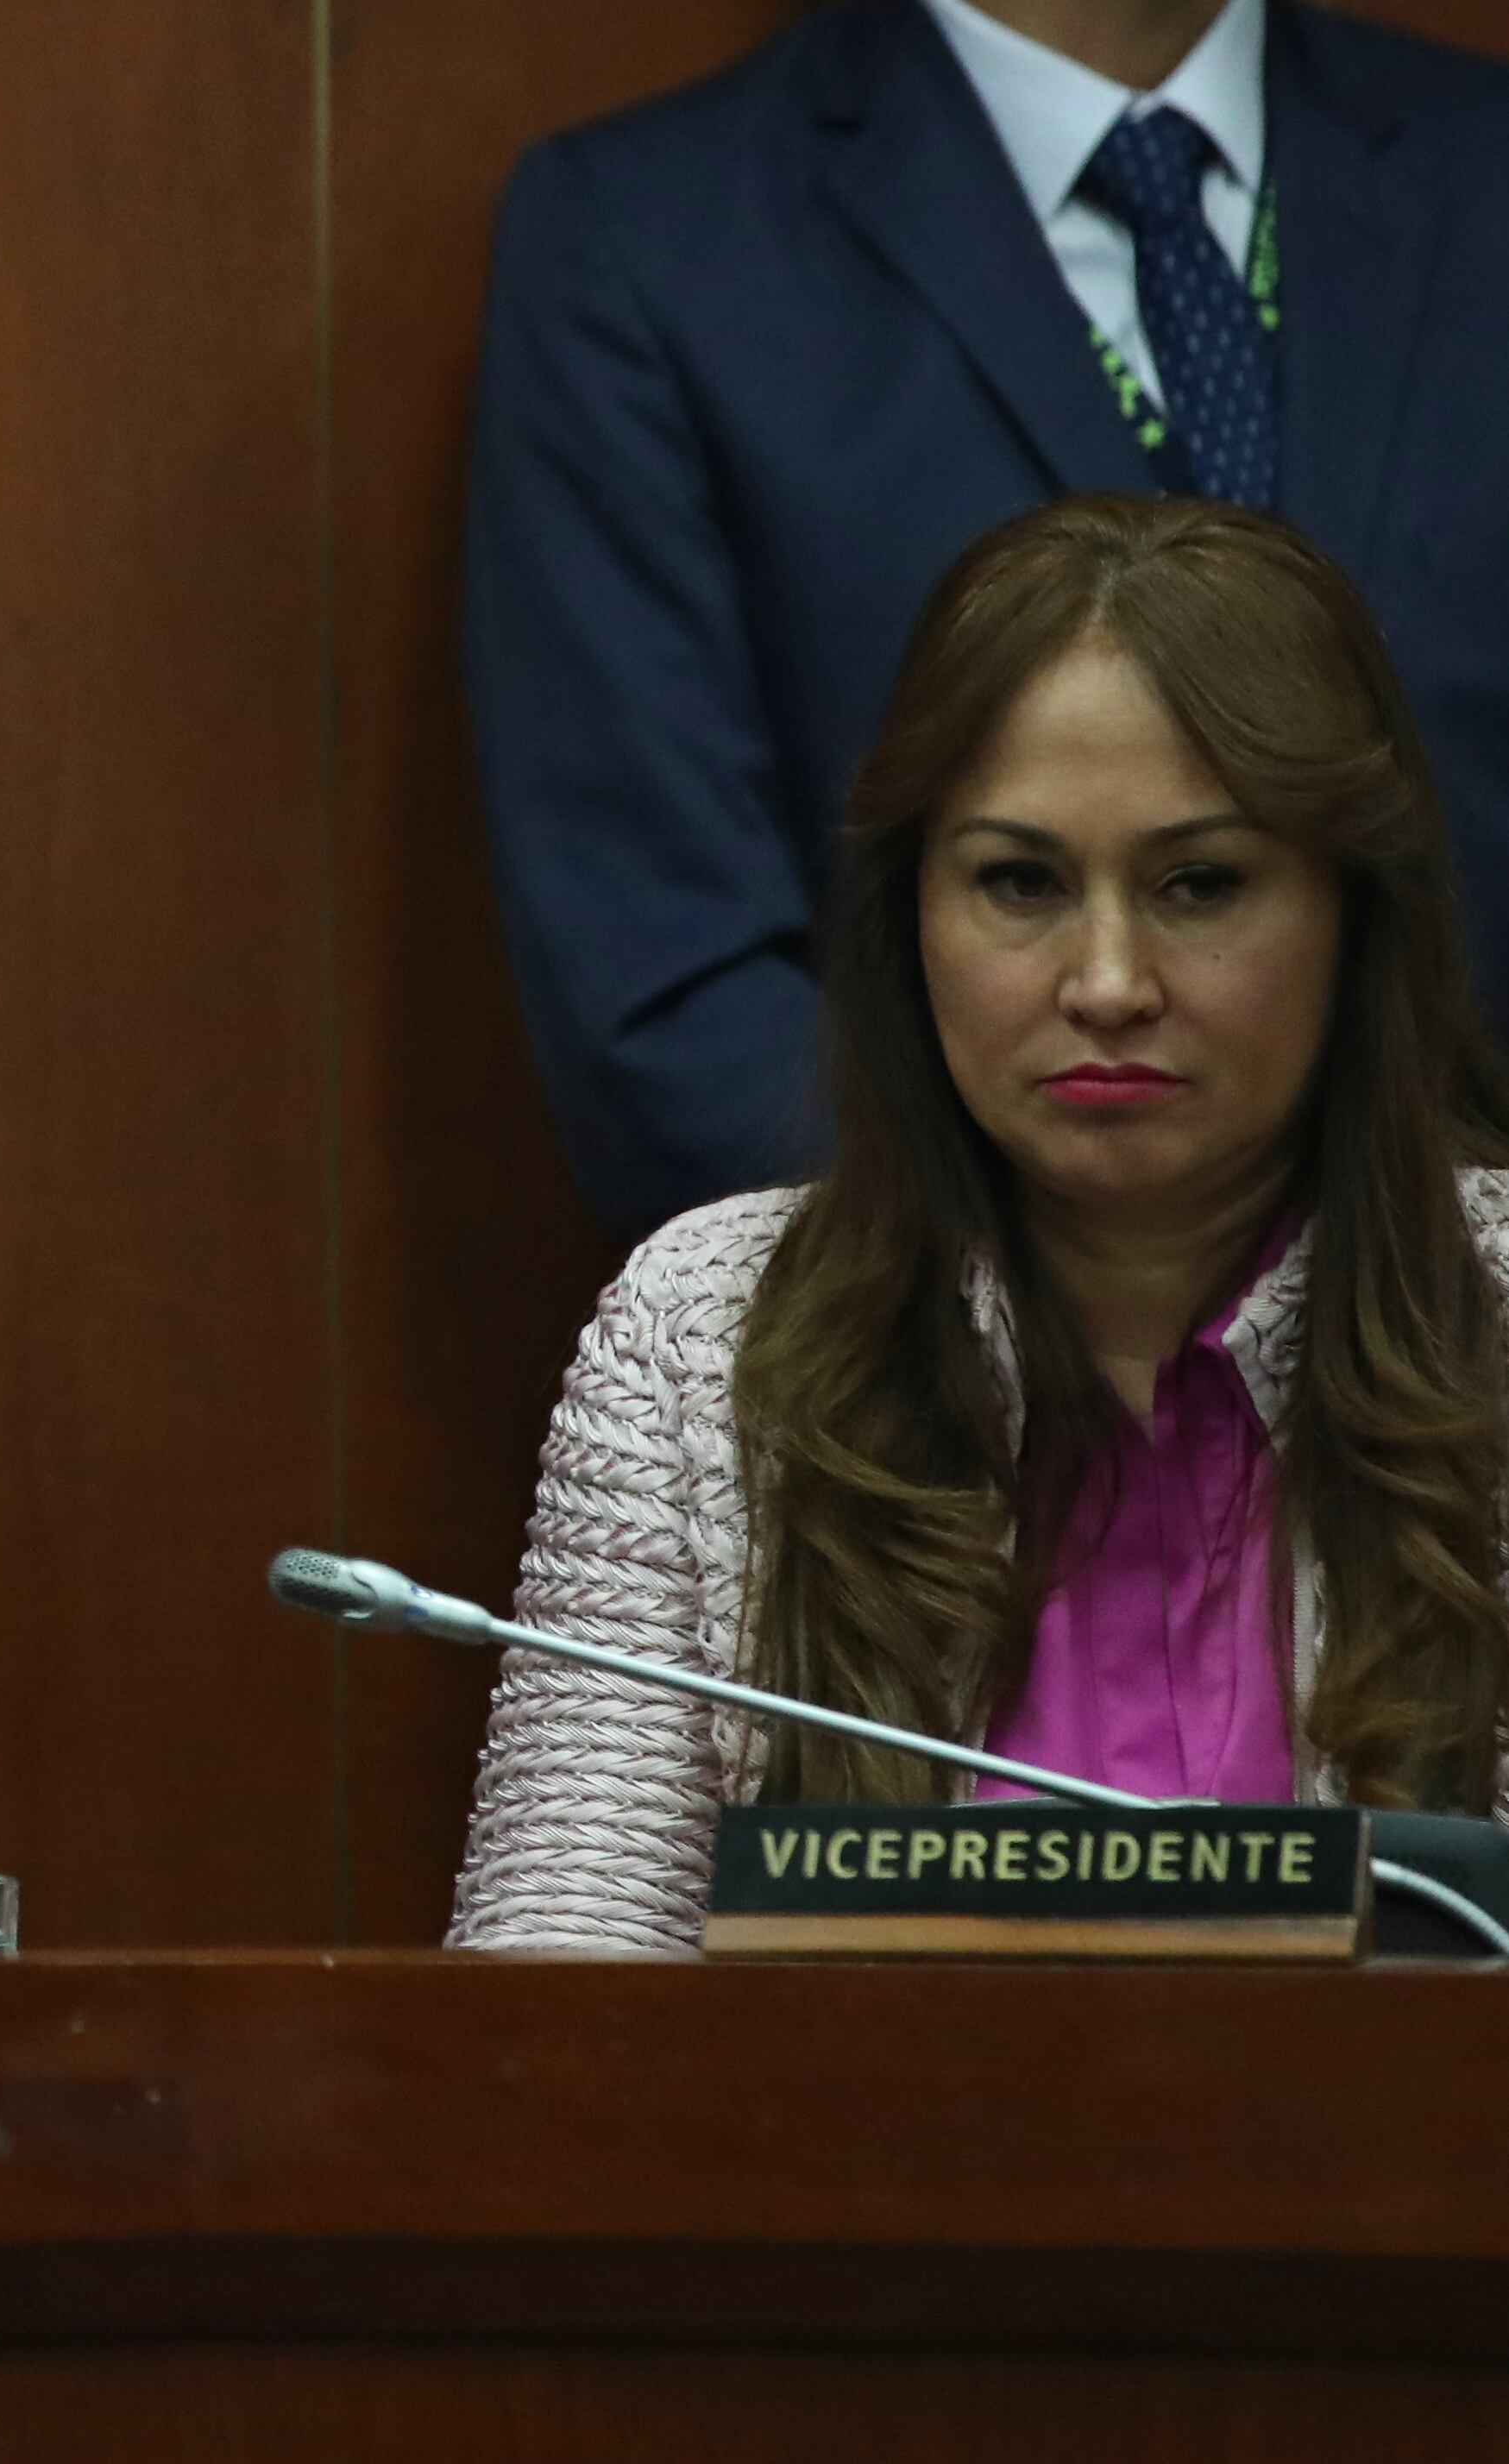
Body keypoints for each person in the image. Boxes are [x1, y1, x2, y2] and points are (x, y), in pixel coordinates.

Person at [454, 497, 1509, 1953]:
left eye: (1199, 884)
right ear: (910, 918)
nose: (1107, 983)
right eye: (1019, 882)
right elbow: (557, 1996)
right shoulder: (698, 1337)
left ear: (1352, 915)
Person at [465, 0, 1509, 1237]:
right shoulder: (653, 234)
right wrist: (1072, 1311)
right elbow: (660, 961)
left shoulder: (1479, 168)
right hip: (927, 1304)